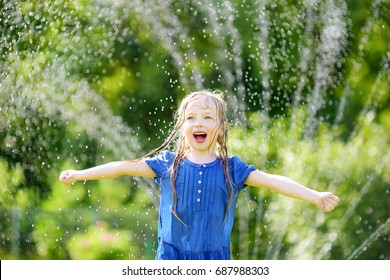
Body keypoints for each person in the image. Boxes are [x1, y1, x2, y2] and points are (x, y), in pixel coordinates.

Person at [59, 89, 339, 260]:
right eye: (191, 118)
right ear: (182, 127)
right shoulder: (167, 164)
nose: (199, 123)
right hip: (170, 259)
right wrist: (80, 173)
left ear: (220, 126)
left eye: (207, 117)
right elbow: (121, 166)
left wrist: (314, 196)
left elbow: (273, 181)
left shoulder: (232, 169)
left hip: (215, 261)